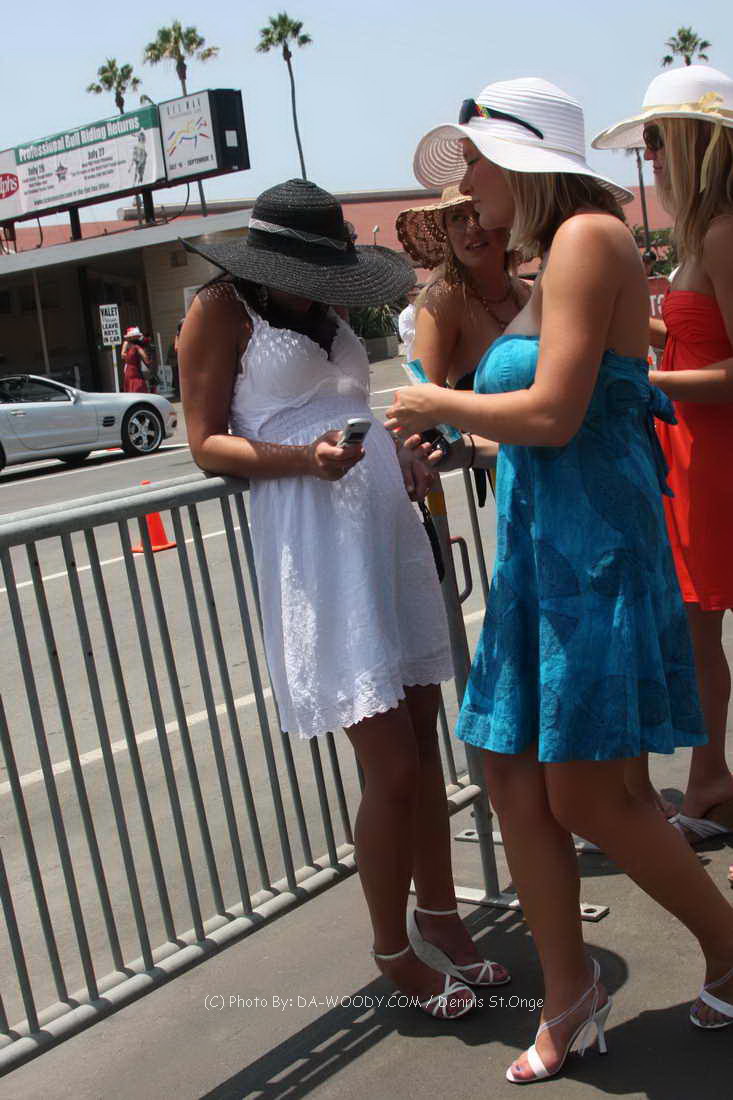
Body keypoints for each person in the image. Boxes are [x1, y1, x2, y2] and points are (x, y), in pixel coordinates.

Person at [386, 78, 733, 1082]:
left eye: (477, 161)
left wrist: (434, 401)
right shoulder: (560, 252)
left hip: (591, 555)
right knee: (510, 774)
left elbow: (553, 413)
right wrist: (457, 434)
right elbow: (549, 416)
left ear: (525, 158)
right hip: (547, 552)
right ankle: (568, 990)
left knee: (590, 793)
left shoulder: (587, 237)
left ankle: (726, 945)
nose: (468, 185)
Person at [178, 179, 510, 1020]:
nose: (320, 285)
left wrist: (402, 451)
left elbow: (353, 405)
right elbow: (204, 443)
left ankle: (442, 913)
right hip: (314, 544)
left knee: (424, 744)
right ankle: (391, 948)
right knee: (390, 766)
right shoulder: (217, 311)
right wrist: (304, 460)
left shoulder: (327, 308)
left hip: (383, 528)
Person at [594, 65, 733, 859]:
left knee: (698, 629)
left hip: (717, 459)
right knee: (695, 632)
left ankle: (711, 779)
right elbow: (696, 338)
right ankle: (709, 778)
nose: (645, 153)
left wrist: (643, 380)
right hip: (693, 456)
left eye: (654, 138)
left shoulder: (720, 233)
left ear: (692, 141)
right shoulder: (705, 231)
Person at [396, 184, 530, 389]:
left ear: (507, 224)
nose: (472, 227)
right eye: (457, 218)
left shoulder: (531, 292)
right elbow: (423, 399)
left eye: (479, 211)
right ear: (446, 234)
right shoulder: (443, 300)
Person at [121, 326, 150, 393]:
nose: (138, 337)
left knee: (133, 385)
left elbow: (123, 355)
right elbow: (145, 358)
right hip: (133, 369)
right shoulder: (135, 346)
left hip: (132, 369)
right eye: (137, 336)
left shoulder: (133, 345)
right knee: (137, 386)